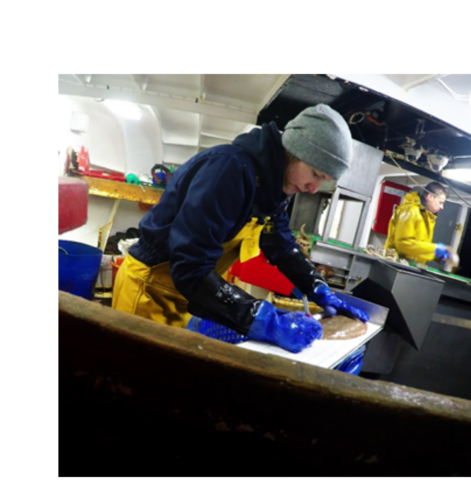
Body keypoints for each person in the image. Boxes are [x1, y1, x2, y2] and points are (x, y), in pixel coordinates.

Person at [111, 104, 368, 354]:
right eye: (315, 174)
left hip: (186, 296)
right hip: (150, 291)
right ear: (294, 151)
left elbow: (281, 245)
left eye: (322, 181)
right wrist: (266, 321)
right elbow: (191, 266)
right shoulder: (227, 171)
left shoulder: (273, 188)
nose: (313, 188)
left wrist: (318, 288)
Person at [383, 181, 455, 265]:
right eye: (440, 202)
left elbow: (419, 247)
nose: (442, 207)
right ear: (430, 197)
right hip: (395, 264)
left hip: (409, 266)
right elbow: (402, 245)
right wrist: (434, 250)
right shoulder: (410, 211)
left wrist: (437, 256)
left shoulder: (427, 216)